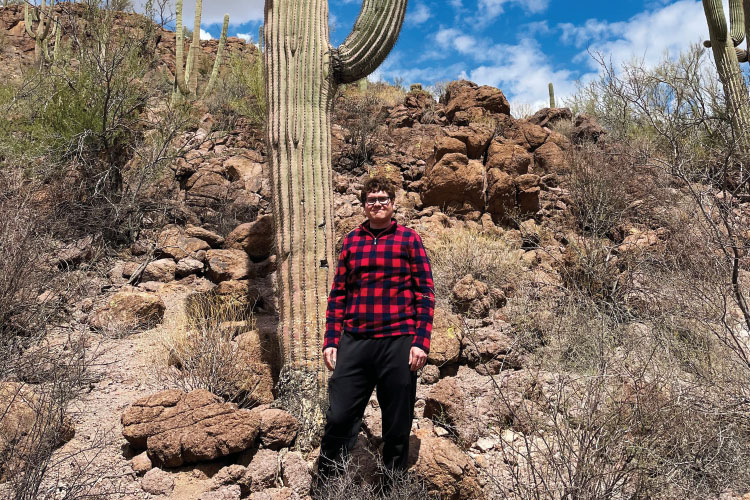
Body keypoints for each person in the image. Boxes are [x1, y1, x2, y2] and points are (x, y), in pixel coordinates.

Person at [317, 175, 435, 483]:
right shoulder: (353, 240)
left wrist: (420, 342)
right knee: (340, 415)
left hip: (398, 341)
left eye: (383, 199)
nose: (378, 204)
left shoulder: (409, 239)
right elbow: (339, 294)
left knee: (397, 422)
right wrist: (332, 340)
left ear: (393, 205)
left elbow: (425, 293)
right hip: (355, 341)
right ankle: (327, 483)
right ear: (364, 206)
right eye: (372, 200)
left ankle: (390, 484)